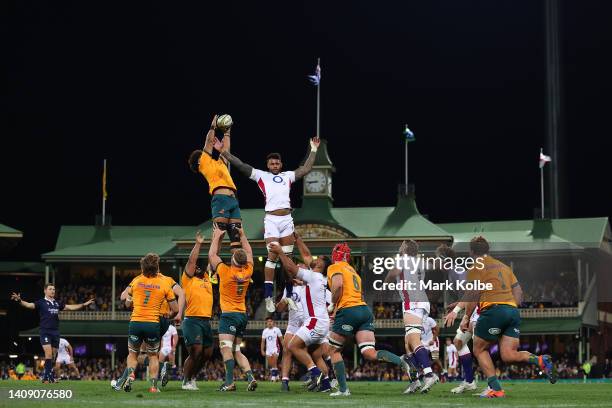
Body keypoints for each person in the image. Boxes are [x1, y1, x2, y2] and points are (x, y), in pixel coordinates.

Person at [216, 136, 320, 312]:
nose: (275, 166)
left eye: (277, 163)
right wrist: (223, 151)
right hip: (272, 220)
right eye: (272, 164)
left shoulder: (288, 176)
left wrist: (314, 149)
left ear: (280, 164)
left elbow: (306, 169)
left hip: (287, 220)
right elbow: (241, 165)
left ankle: (287, 296)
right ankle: (268, 296)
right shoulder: (261, 176)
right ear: (268, 165)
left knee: (287, 260)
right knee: (272, 257)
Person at [445, 236, 557, 398]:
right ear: (487, 250)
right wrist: (509, 308)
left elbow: (473, 293)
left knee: (479, 349)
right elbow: (519, 292)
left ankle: (496, 389)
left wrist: (465, 317)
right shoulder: (504, 267)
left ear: (471, 252)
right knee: (508, 355)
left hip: (493, 310)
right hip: (512, 311)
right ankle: (540, 361)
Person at [325, 242, 409, 397]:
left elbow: (337, 286)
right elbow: (358, 295)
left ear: (336, 254)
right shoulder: (353, 272)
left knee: (333, 350)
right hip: (364, 310)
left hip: (349, 310)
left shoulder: (334, 267)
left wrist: (331, 305)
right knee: (369, 352)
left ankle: (343, 390)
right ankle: (402, 361)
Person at [270, 241, 334, 392]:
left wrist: (280, 252)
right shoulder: (318, 277)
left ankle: (316, 373)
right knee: (316, 354)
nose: (315, 259)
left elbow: (291, 268)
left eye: (319, 259)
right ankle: (325, 385)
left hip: (314, 321)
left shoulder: (314, 277)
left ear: (321, 265)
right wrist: (298, 240)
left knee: (292, 346)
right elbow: (306, 255)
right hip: (319, 322)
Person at [112, 253, 178, 393]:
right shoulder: (165, 282)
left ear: (143, 267)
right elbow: (176, 308)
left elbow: (126, 302)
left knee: (133, 354)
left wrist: (132, 300)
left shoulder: (136, 281)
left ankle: (129, 375)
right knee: (153, 355)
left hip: (136, 322)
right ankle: (153, 386)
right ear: (157, 267)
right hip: (154, 323)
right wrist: (170, 316)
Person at [384, 240, 439, 394]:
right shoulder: (418, 262)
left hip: (412, 301)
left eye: (402, 245)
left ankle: (428, 374)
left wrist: (384, 284)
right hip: (418, 300)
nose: (399, 247)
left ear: (405, 249)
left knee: (413, 341)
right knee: (408, 343)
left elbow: (393, 273)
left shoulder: (403, 259)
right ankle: (415, 381)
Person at [11, 284, 94, 383]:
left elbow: (70, 307)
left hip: (55, 332)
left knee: (53, 355)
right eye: (50, 289)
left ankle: (49, 376)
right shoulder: (41, 302)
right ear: (45, 291)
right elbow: (29, 305)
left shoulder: (57, 303)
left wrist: (83, 305)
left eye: (54, 289)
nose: (53, 291)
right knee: (48, 353)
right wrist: (20, 300)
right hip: (45, 331)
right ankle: (46, 378)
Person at [209, 227, 257, 392]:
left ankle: (229, 382)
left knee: (226, 349)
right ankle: (250, 377)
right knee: (236, 350)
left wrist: (216, 237)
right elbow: (249, 253)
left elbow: (212, 256)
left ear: (234, 260)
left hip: (229, 316)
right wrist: (243, 235)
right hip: (242, 315)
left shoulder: (225, 271)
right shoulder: (248, 270)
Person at [188, 114, 243, 253]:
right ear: (199, 161)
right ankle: (211, 270)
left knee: (237, 238)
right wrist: (213, 126)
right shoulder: (203, 164)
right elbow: (208, 141)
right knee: (218, 236)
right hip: (221, 199)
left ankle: (238, 272)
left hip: (233, 199)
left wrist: (227, 131)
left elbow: (226, 149)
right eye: (203, 153)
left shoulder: (219, 163)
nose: (207, 151)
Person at [436, 243, 478, 393]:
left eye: (438, 259)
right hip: (474, 310)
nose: (437, 262)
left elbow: (472, 293)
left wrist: (461, 314)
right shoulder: (453, 272)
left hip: (480, 310)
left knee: (481, 348)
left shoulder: (457, 272)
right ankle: (470, 381)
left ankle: (491, 385)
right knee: (459, 342)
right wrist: (454, 306)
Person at [181, 230, 215, 391]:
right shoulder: (188, 279)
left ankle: (193, 377)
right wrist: (198, 244)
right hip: (192, 319)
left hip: (206, 320)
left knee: (207, 353)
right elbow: (191, 260)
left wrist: (217, 238)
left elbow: (213, 258)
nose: (197, 268)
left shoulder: (207, 279)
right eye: (195, 267)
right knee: (196, 351)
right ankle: (186, 381)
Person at [261, 317, 283, 381]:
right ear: (266, 323)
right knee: (272, 364)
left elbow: (281, 340)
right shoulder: (265, 331)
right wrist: (262, 350)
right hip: (268, 349)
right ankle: (277, 375)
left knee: (274, 361)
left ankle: (273, 377)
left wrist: (284, 348)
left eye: (271, 321)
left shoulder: (277, 330)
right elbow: (263, 342)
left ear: (273, 322)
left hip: (276, 348)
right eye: (268, 322)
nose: (269, 323)